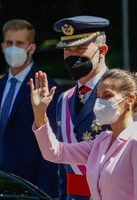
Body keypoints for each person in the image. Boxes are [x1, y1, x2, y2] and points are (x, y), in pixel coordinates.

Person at [0, 19, 62, 198]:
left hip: (28, 185)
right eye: (9, 43)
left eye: (20, 43)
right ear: (2, 46)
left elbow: (52, 142)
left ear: (31, 48)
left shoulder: (46, 88)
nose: (13, 48)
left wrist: (42, 190)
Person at [30, 68, 137, 200]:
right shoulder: (102, 141)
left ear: (130, 100)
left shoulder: (134, 141)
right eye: (98, 97)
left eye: (107, 95)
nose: (100, 102)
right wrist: (40, 113)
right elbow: (54, 152)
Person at [39, 15, 111, 200]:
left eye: (80, 48)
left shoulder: (120, 93)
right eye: (67, 50)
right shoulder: (64, 99)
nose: (73, 55)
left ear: (102, 50)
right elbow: (63, 167)